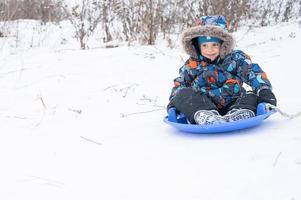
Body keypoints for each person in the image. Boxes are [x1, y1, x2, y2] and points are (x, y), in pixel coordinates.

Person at [167, 16, 277, 125]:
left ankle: (239, 114)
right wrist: (176, 101)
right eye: (204, 45)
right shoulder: (192, 65)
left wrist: (264, 91)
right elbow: (181, 83)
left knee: (251, 96)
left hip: (233, 102)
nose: (210, 50)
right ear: (197, 46)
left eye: (214, 45)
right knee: (183, 92)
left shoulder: (234, 59)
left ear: (223, 44)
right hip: (201, 105)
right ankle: (206, 117)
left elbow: (251, 72)